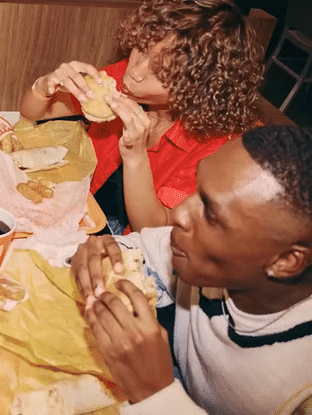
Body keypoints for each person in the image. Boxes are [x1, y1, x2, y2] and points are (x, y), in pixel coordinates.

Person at [69, 125, 312, 414]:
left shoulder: (299, 391)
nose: (179, 213)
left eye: (211, 214)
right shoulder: (202, 257)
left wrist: (155, 395)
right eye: (197, 190)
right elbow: (140, 248)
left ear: (286, 261)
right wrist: (100, 250)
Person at [20, 0, 263, 234]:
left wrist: (135, 155)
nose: (134, 71)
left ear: (198, 89)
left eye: (161, 71)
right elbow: (36, 112)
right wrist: (44, 85)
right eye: (143, 49)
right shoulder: (122, 79)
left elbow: (154, 231)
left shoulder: (214, 150)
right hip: (83, 210)